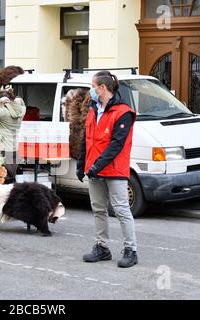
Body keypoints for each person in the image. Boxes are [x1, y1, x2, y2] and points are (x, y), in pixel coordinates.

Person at [77, 71, 138, 268]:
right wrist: (81, 164)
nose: (91, 91)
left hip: (113, 170)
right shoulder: (94, 110)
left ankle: (131, 250)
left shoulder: (123, 112)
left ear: (102, 88)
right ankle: (102, 248)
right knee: (98, 210)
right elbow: (87, 140)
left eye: (93, 87)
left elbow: (116, 145)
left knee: (121, 210)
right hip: (94, 170)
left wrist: (96, 166)